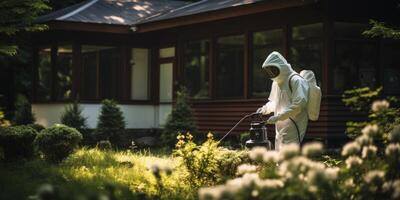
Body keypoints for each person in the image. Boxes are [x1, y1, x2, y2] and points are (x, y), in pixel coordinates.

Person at [256, 51, 309, 151]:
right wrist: (264, 109)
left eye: (272, 69)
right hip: (280, 126)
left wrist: (278, 117)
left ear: (280, 66)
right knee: (278, 155)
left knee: (288, 156)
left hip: (294, 124)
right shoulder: (276, 82)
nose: (271, 72)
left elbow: (298, 105)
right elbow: (275, 102)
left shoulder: (296, 80)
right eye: (269, 70)